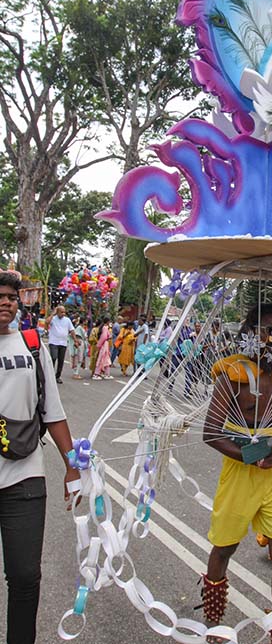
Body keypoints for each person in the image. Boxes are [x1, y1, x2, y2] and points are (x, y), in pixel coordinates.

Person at [202, 304, 272, 644]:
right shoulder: (234, 374)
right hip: (241, 476)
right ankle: (213, 621)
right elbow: (211, 433)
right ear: (250, 333)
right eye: (266, 329)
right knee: (224, 549)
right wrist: (259, 458)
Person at [0, 271, 80, 644]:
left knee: (24, 576)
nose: (5, 302)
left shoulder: (33, 346)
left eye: (11, 297)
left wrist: (71, 466)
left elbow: (54, 411)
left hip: (25, 475)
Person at [45, 305, 79, 384]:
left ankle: (57, 377)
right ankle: (49, 375)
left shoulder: (67, 320)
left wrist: (75, 340)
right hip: (53, 342)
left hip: (63, 343)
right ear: (57, 312)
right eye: (61, 312)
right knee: (53, 357)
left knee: (61, 360)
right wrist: (53, 314)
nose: (63, 314)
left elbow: (72, 330)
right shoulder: (53, 318)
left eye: (64, 312)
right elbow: (46, 322)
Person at [69, 316, 87, 380]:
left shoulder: (81, 327)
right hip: (79, 344)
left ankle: (76, 372)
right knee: (78, 358)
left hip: (82, 343)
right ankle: (75, 373)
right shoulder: (79, 327)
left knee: (79, 358)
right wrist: (77, 340)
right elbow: (75, 335)